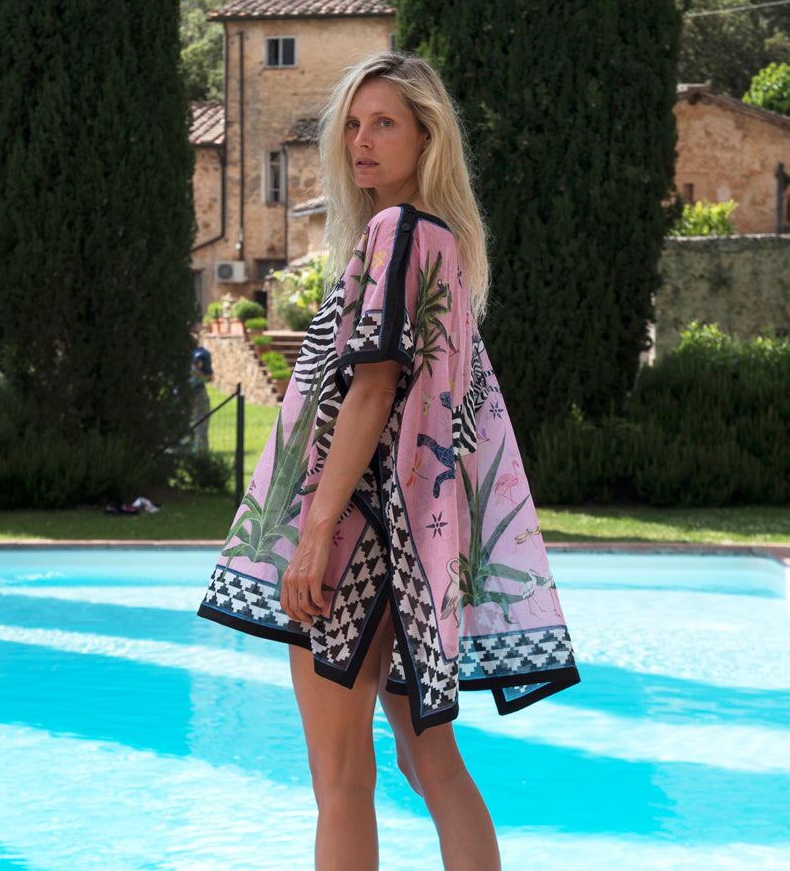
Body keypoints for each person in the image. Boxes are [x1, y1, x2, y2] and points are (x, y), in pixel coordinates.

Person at [198, 52, 580, 870]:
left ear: (426, 136)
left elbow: (372, 392)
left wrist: (312, 535)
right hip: (411, 540)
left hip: (355, 532)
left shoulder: (397, 232)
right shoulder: (440, 242)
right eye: (353, 124)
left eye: (385, 124)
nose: (361, 141)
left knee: (338, 775)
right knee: (426, 761)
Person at [190, 345, 213, 450]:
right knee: (200, 430)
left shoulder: (194, 371)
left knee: (200, 430)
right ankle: (201, 453)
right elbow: (210, 377)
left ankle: (201, 454)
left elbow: (210, 377)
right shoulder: (196, 371)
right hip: (198, 398)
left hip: (197, 399)